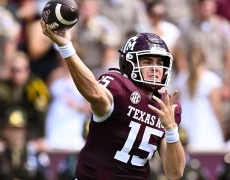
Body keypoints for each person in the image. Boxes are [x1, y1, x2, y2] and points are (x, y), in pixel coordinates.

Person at [40, 20, 185, 179]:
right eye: (148, 61)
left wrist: (171, 129)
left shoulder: (167, 106)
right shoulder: (119, 87)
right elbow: (95, 93)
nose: (155, 69)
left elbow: (174, 173)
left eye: (160, 63)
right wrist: (66, 47)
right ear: (130, 63)